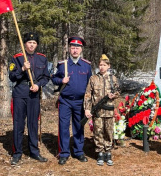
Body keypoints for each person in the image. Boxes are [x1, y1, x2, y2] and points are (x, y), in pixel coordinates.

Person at [9, 32, 50, 165]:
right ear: (25, 44)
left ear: (36, 44)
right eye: (29, 42)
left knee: (33, 123)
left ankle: (34, 151)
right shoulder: (17, 58)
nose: (31, 45)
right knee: (18, 124)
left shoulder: (42, 58)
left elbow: (46, 76)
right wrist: (22, 68)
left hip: (34, 94)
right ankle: (17, 153)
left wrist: (38, 85)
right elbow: (12, 76)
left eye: (34, 43)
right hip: (20, 93)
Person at [51, 36, 92, 165]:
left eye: (77, 48)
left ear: (81, 50)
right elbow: (53, 78)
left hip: (80, 102)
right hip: (65, 101)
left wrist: (89, 104)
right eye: (73, 47)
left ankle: (79, 151)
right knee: (63, 127)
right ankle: (64, 153)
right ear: (69, 49)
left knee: (79, 127)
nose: (75, 50)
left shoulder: (86, 65)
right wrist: (61, 81)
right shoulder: (63, 65)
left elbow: (91, 85)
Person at [84, 54, 119, 166]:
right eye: (100, 65)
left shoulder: (113, 79)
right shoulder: (93, 78)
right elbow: (88, 95)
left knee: (108, 132)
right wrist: (87, 109)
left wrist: (114, 95)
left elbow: (118, 91)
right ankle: (100, 152)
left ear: (109, 66)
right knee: (98, 132)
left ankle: (108, 152)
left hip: (109, 111)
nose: (102, 67)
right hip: (98, 112)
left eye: (104, 65)